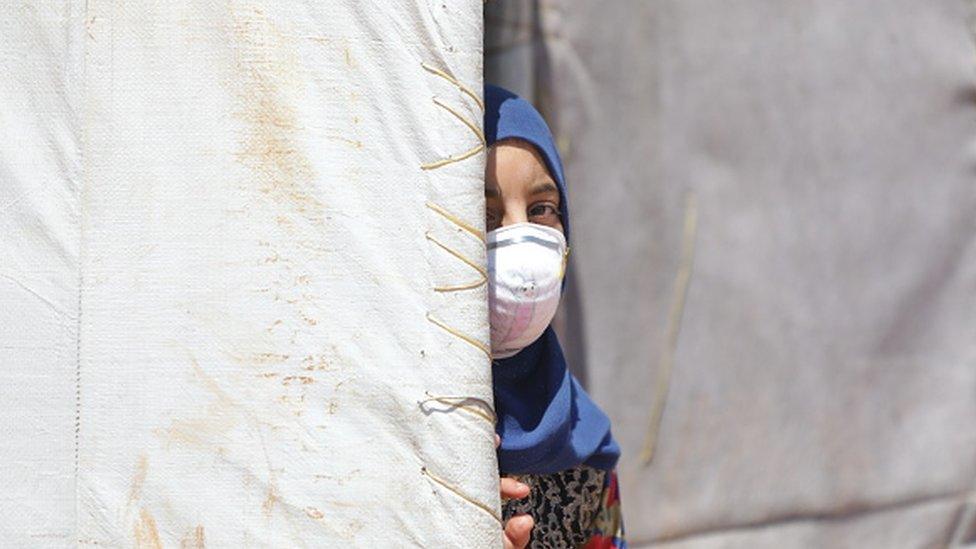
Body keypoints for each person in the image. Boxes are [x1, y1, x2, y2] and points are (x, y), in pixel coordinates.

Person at [485, 85, 626, 549]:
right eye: (483, 213)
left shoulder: (584, 450)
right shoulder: (380, 431)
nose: (519, 238)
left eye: (541, 209)